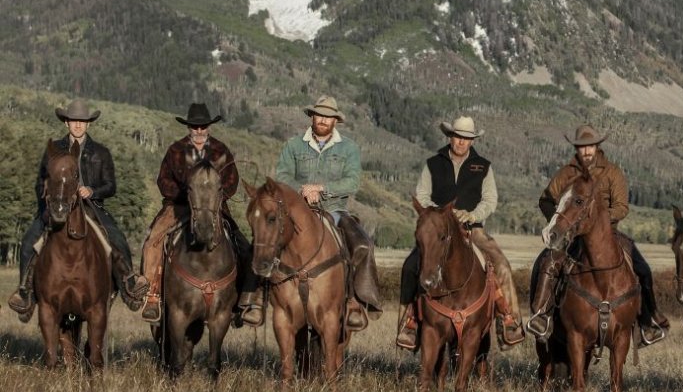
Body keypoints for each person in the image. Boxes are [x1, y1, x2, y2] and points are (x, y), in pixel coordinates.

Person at [528, 124, 670, 346]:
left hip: (608, 234)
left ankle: (649, 322)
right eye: (582, 147)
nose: (586, 151)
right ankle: (541, 316)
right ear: (576, 148)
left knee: (642, 268)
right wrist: (559, 222)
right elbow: (546, 200)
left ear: (597, 146)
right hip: (572, 235)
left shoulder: (612, 172)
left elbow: (622, 207)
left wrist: (598, 220)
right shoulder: (566, 173)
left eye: (590, 146)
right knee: (548, 262)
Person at [8, 99, 149, 321]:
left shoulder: (100, 152)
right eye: (74, 121)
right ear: (66, 123)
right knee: (28, 242)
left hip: (91, 206)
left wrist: (92, 191)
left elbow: (111, 186)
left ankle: (129, 283)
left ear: (88, 124)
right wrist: (48, 205)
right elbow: (39, 183)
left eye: (82, 121)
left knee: (116, 237)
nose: (78, 125)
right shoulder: (53, 150)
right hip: (58, 205)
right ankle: (25, 293)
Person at [395, 116, 525, 350]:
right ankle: (409, 323)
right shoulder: (433, 163)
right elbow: (422, 195)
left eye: (466, 138)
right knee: (410, 266)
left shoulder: (483, 166)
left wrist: (473, 215)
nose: (461, 142)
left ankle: (508, 320)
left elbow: (490, 199)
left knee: (502, 265)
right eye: (458, 137)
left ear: (472, 141)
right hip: (439, 231)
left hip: (472, 229)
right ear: (450, 136)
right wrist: (441, 215)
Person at [139, 103, 259, 325]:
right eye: (195, 127)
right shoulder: (175, 151)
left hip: (215, 208)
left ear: (209, 127)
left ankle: (244, 301)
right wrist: (186, 194)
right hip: (178, 206)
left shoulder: (221, 151)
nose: (199, 131)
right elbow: (163, 180)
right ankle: (152, 295)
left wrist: (215, 197)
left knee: (243, 246)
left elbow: (232, 180)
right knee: (153, 241)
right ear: (189, 127)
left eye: (203, 126)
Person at [274, 96, 381, 330]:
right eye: (319, 115)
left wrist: (321, 189)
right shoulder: (293, 145)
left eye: (328, 116)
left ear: (335, 121)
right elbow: (281, 176)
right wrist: (302, 190)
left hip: (335, 210)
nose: (323, 119)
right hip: (296, 210)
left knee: (363, 245)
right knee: (264, 239)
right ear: (312, 116)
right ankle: (252, 299)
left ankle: (355, 301)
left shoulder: (349, 148)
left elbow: (352, 182)